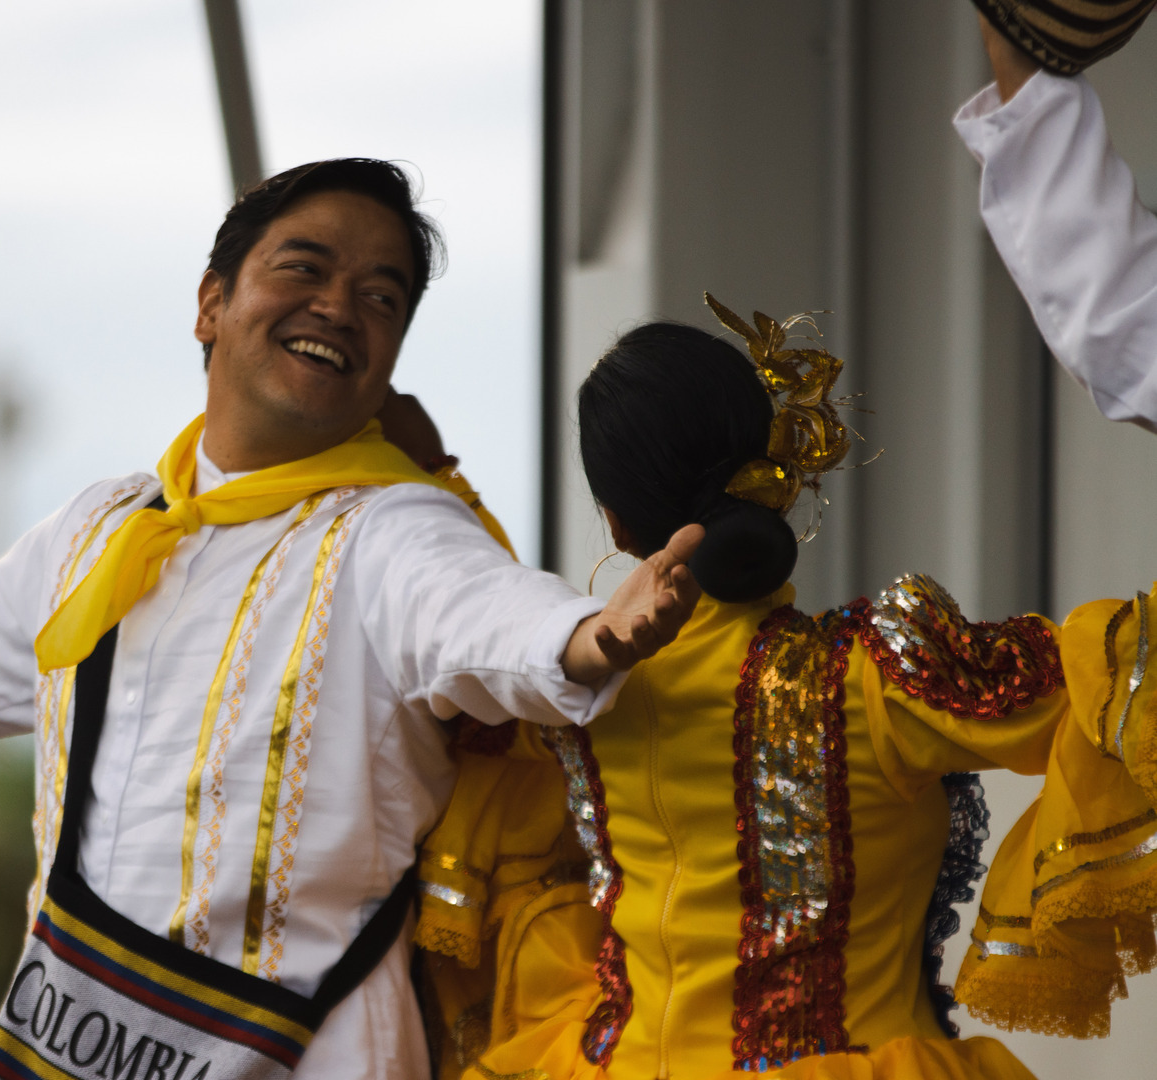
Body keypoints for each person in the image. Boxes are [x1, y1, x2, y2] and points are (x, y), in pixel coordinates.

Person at [0, 158, 703, 1080]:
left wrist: (588, 638)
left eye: (382, 297)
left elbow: (489, 615)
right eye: (305, 267)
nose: (340, 306)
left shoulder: (393, 524)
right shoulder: (102, 528)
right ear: (211, 303)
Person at [411, 16, 1157, 1080]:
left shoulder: (560, 706)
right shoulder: (877, 677)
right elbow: (1115, 683)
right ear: (776, 461)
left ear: (612, 521)